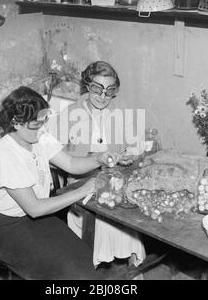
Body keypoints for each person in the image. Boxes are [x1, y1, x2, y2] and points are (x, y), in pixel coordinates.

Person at [0, 86, 121, 280]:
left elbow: (71, 164)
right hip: (6, 228)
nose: (42, 127)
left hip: (36, 219)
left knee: (86, 263)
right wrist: (84, 189)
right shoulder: (5, 155)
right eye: (36, 123)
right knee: (74, 274)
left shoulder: (38, 137)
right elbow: (35, 208)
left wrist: (99, 158)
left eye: (44, 119)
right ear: (16, 123)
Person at [53, 61, 146, 268]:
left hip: (116, 176)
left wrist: (129, 154)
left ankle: (133, 266)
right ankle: (90, 266)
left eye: (109, 90)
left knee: (131, 213)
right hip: (80, 182)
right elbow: (54, 156)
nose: (103, 97)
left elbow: (136, 145)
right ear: (87, 85)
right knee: (108, 215)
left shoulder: (121, 110)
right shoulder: (69, 114)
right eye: (97, 89)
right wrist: (94, 157)